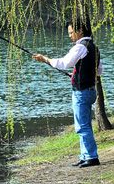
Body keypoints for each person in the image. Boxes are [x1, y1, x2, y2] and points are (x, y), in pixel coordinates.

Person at [33, 20, 101, 168]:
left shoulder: (80, 47)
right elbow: (99, 71)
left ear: (80, 30)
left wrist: (45, 59)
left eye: (71, 32)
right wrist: (76, 74)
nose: (70, 36)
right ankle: (85, 156)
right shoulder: (94, 47)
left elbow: (64, 63)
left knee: (82, 126)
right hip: (90, 90)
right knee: (84, 124)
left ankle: (91, 157)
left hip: (81, 92)